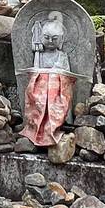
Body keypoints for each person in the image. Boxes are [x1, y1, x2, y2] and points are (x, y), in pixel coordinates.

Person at [21, 11, 76, 147]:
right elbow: (35, 72)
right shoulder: (39, 55)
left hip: (56, 89)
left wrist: (53, 76)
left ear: (61, 40)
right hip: (40, 88)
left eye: (54, 38)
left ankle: (58, 126)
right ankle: (37, 128)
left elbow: (66, 75)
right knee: (36, 96)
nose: (50, 42)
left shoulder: (62, 55)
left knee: (58, 96)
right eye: (47, 38)